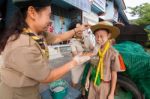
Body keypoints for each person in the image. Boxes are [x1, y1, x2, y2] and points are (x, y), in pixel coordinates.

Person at [0, 0, 91, 99]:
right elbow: (47, 77)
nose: (50, 20)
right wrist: (74, 62)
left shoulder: (37, 33)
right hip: (17, 95)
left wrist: (77, 29)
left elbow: (59, 37)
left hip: (32, 89)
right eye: (49, 15)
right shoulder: (23, 45)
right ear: (32, 12)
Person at [85, 21, 126, 99]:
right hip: (93, 82)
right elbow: (93, 65)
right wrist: (87, 78)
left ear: (109, 35)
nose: (99, 39)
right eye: (97, 36)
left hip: (105, 85)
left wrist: (111, 93)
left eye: (102, 36)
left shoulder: (113, 53)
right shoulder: (95, 50)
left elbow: (114, 74)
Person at [69, 21, 94, 89]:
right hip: (77, 64)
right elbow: (76, 55)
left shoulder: (86, 36)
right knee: (75, 81)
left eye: (80, 28)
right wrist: (89, 53)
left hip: (87, 62)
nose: (80, 30)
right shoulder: (72, 42)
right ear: (74, 30)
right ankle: (73, 92)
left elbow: (92, 48)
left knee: (85, 79)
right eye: (77, 29)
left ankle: (83, 92)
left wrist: (92, 28)